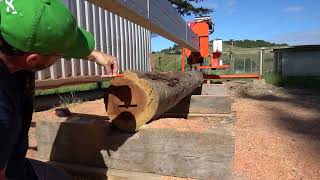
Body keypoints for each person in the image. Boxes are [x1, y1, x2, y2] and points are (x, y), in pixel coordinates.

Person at [0, 0, 118, 179]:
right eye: (60, 54)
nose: (63, 56)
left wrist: (95, 55)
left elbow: (43, 41)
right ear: (33, 60)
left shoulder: (11, 30)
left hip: (13, 163)